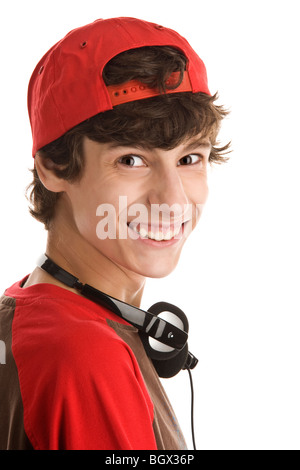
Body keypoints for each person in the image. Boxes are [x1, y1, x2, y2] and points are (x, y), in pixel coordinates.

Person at [0, 17, 229, 450]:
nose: (173, 201)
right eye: (131, 160)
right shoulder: (84, 354)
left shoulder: (27, 313)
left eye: (189, 159)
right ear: (53, 165)